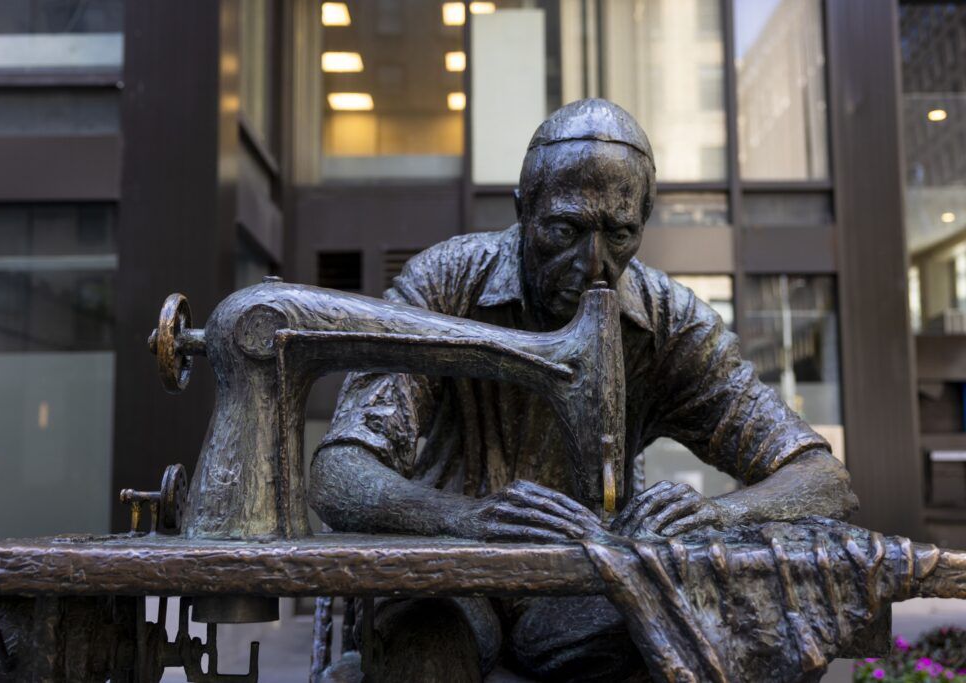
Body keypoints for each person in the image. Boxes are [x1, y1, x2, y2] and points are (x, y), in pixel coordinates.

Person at [309, 99, 857, 681]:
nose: (594, 265)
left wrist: (717, 515)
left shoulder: (671, 323)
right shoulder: (442, 284)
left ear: (645, 220)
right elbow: (341, 474)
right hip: (451, 574)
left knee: (737, 640)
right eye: (564, 231)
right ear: (524, 210)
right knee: (427, 649)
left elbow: (822, 480)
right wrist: (468, 519)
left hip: (583, 586)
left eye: (620, 234)